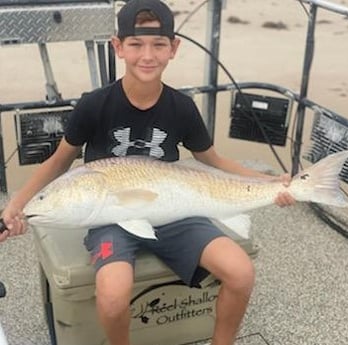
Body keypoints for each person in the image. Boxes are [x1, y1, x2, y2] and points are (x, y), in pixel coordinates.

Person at [0, 1, 295, 344]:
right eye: (136, 44)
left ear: (173, 48)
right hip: (111, 216)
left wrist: (269, 183)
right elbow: (58, 162)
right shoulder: (93, 104)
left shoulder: (182, 108)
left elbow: (212, 159)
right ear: (118, 46)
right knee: (112, 295)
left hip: (176, 210)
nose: (147, 55)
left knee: (241, 272)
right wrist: (16, 207)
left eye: (158, 45)